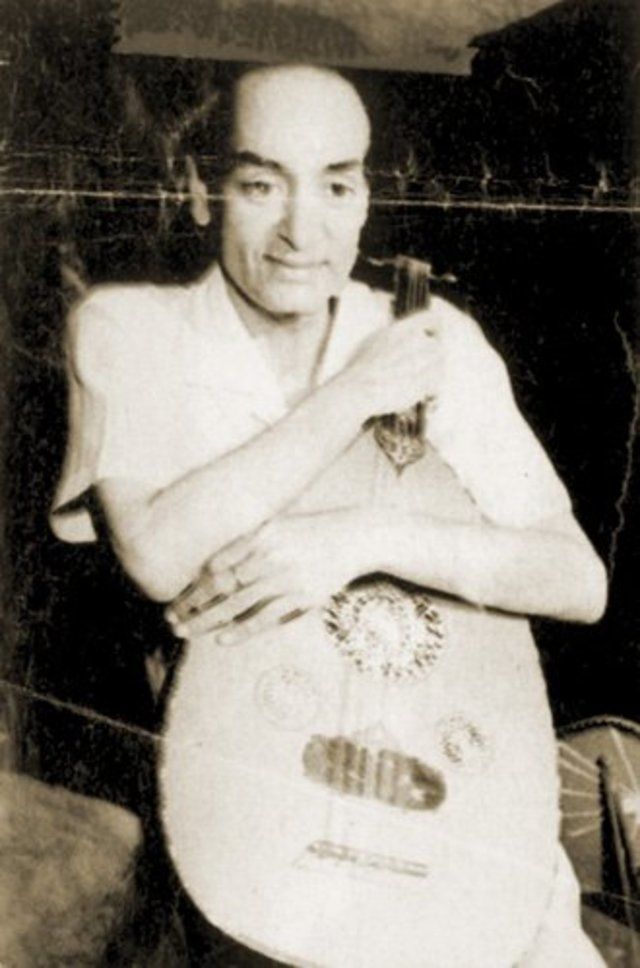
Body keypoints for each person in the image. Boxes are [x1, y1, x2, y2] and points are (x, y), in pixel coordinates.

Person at [52, 63, 607, 966]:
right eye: (261, 184)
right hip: (249, 800)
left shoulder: (433, 335)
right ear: (199, 190)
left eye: (336, 186)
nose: (301, 232)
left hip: (442, 793)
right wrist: (352, 393)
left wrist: (357, 539)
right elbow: (155, 554)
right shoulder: (130, 328)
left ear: (365, 199)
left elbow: (578, 580)